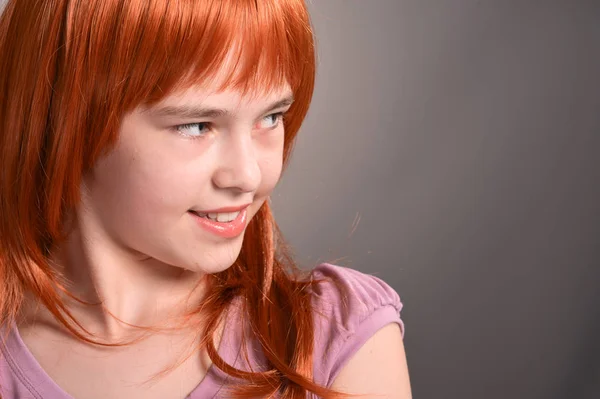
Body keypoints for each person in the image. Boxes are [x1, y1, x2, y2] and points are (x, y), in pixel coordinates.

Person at [0, 0, 412, 398]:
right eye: (197, 125)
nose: (248, 175)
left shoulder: (334, 341)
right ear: (66, 121)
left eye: (271, 118)